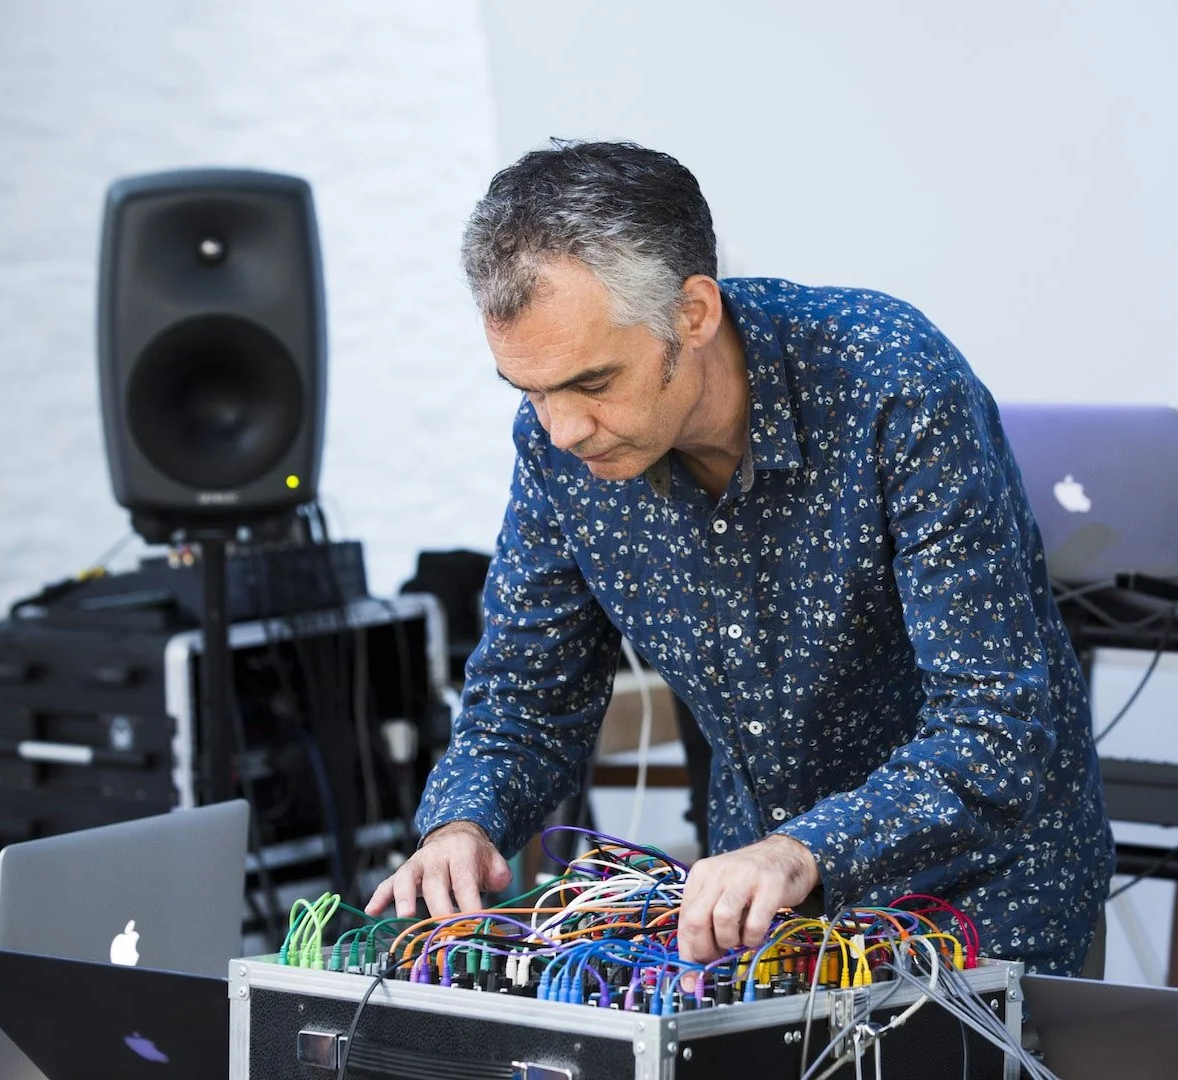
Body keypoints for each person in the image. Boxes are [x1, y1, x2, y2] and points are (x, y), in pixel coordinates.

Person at [366, 139, 1113, 976]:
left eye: (593, 382)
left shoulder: (891, 383)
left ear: (693, 313)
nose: (562, 430)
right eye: (530, 391)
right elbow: (527, 699)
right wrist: (463, 824)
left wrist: (802, 850)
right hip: (758, 925)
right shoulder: (557, 448)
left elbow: (996, 728)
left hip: (984, 915)